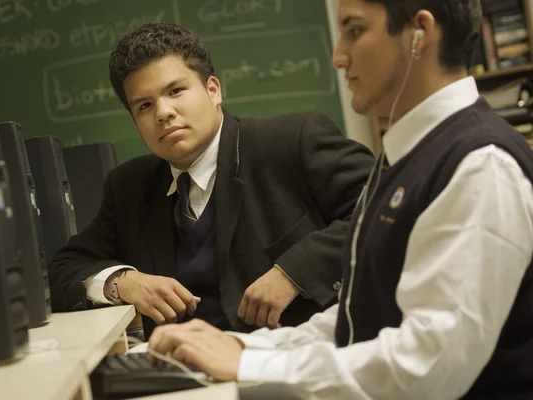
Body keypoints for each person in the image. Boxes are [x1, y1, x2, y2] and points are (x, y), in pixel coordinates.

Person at [147, 0, 533, 398]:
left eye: (354, 30)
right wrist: (244, 347)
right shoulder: (409, 155)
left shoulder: (480, 166)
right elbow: (361, 316)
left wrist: (250, 364)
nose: (337, 57)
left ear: (420, 34)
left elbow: (429, 364)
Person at [48, 22, 374, 339]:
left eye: (175, 91)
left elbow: (385, 209)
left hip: (293, 358)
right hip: (184, 372)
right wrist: (124, 282)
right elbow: (61, 270)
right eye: (144, 105)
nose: (163, 112)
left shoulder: (292, 142)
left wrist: (294, 272)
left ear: (213, 90)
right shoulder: (129, 187)